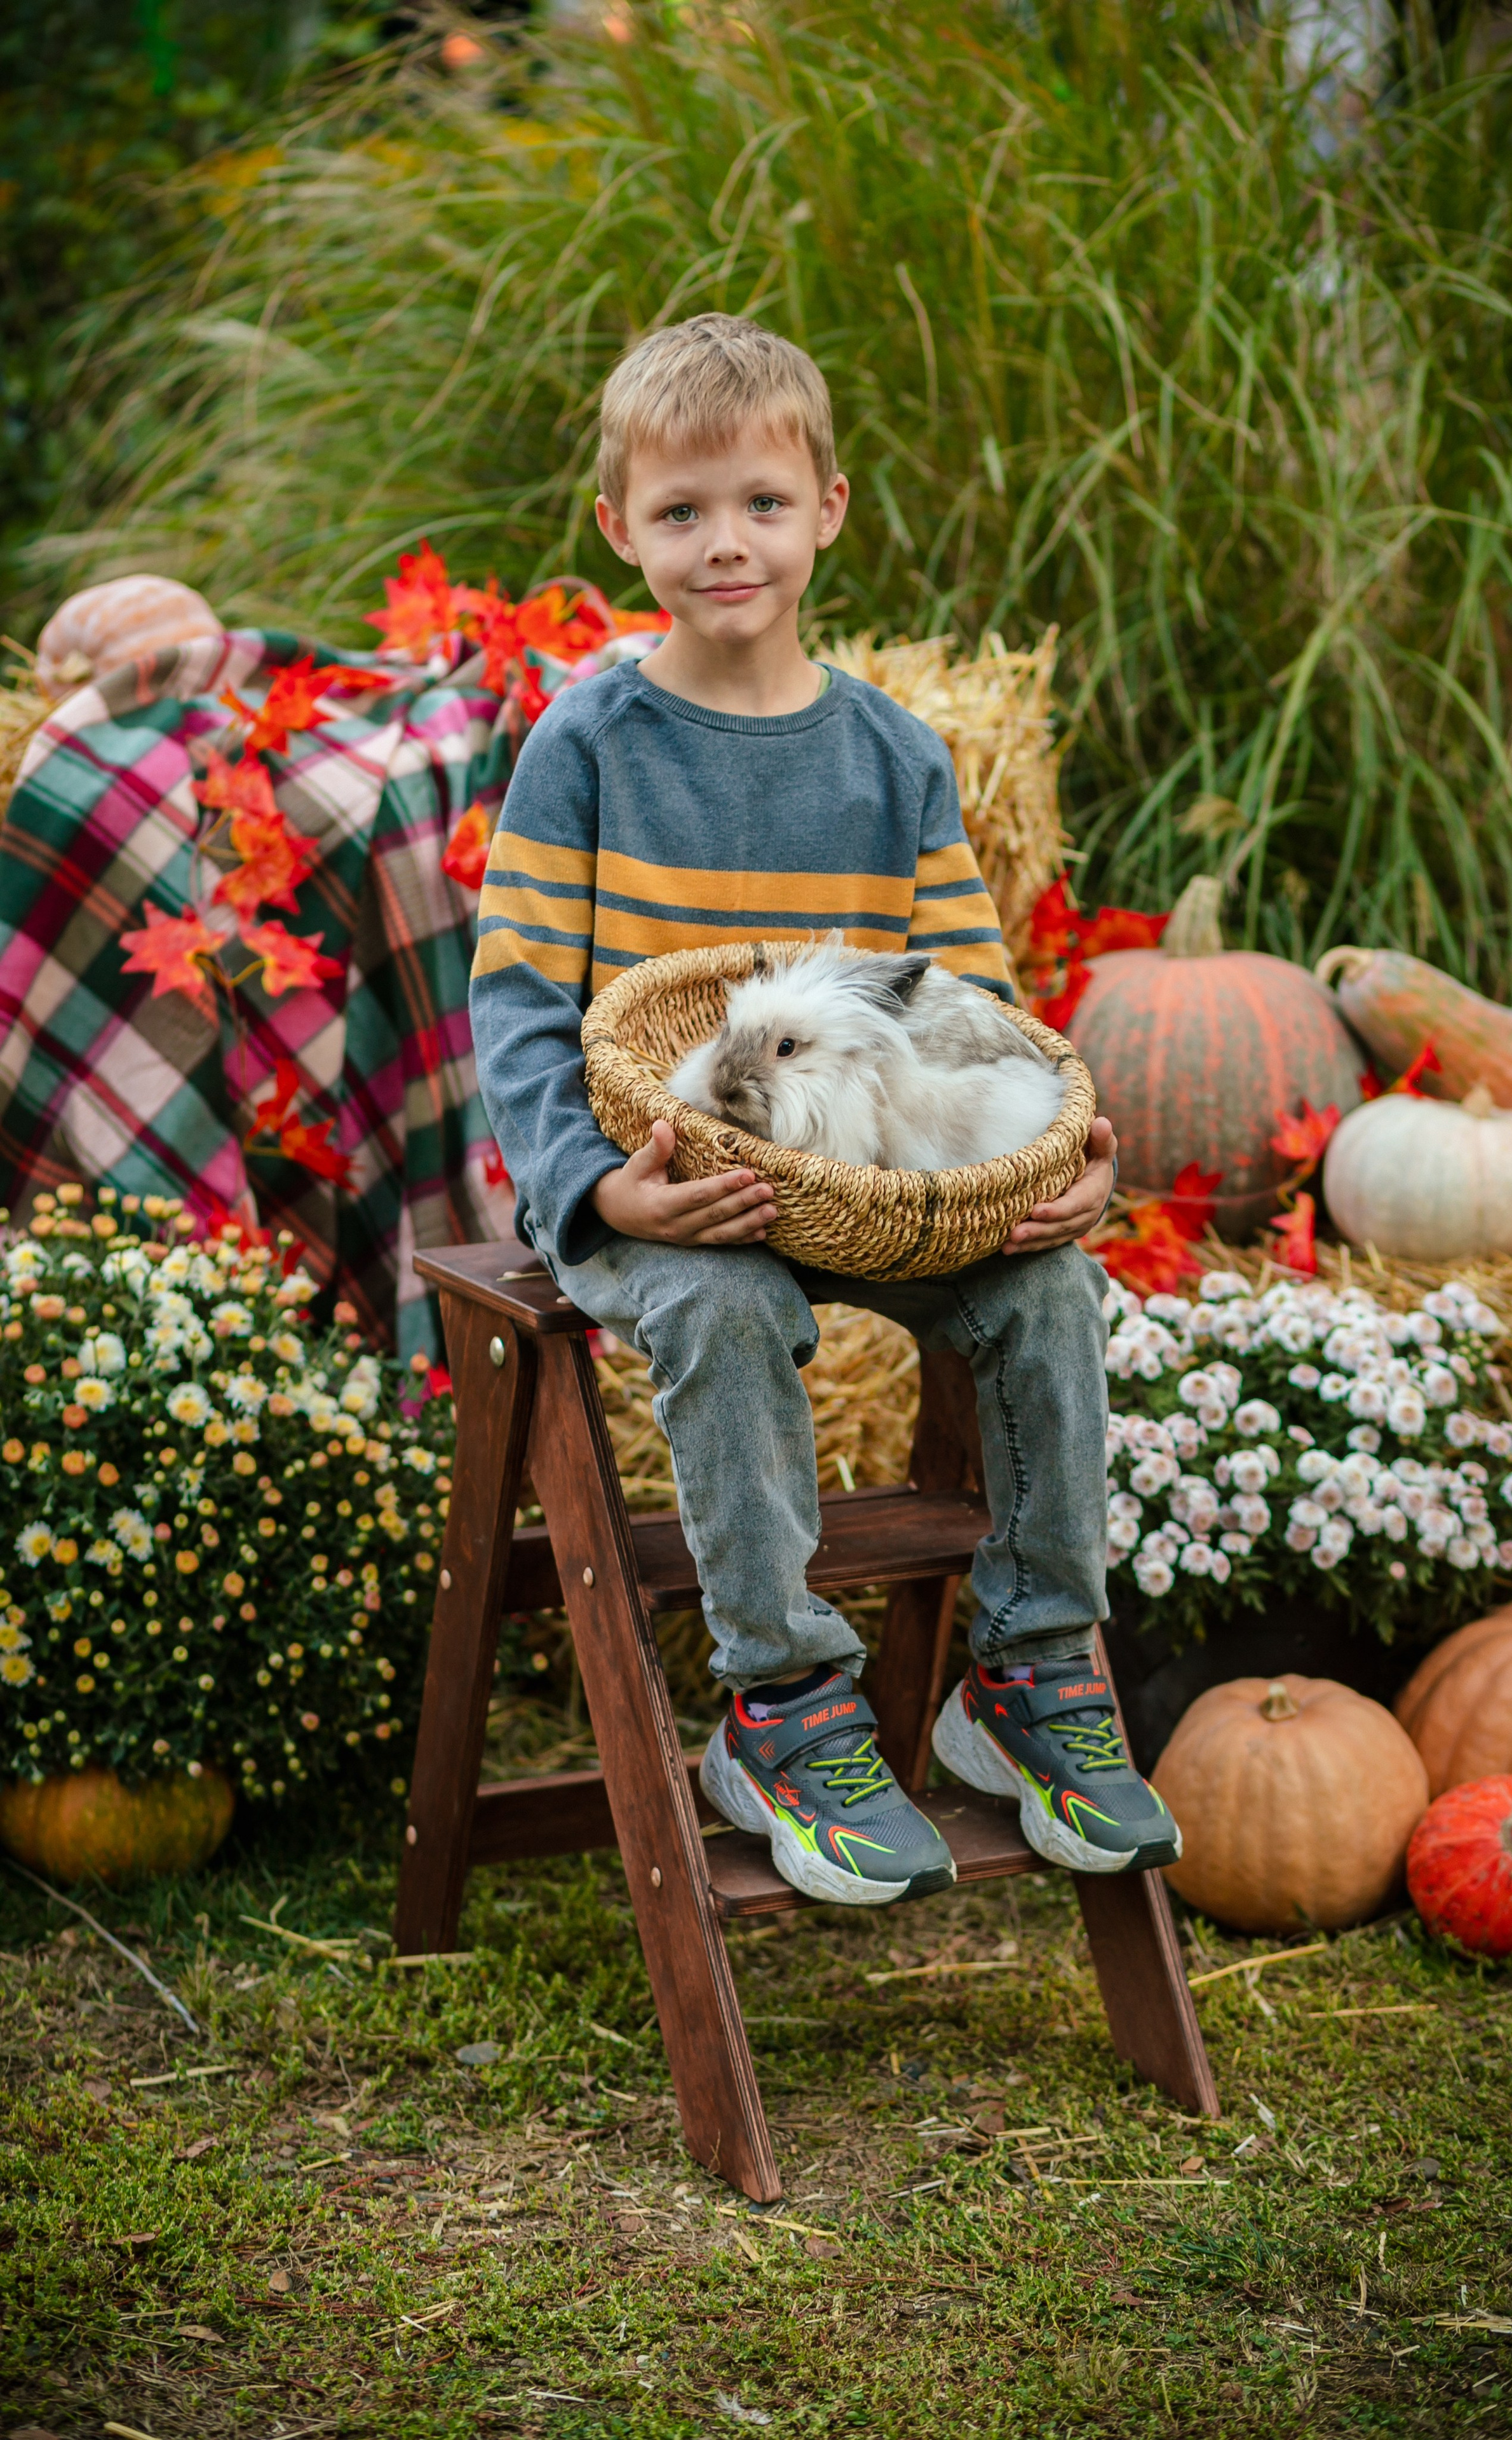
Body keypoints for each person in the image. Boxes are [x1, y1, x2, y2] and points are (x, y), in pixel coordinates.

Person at [470, 313, 1180, 1906]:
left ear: (829, 509)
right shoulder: (587, 742)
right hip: (676, 1186)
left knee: (1050, 1288)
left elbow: (975, 1010)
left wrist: (1058, 1145)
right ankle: (782, 1702)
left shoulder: (895, 758)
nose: (726, 543)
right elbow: (516, 1003)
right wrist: (597, 1192)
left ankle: (1032, 1666)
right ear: (617, 531)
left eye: (762, 505)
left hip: (871, 1187)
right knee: (721, 1306)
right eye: (681, 512)